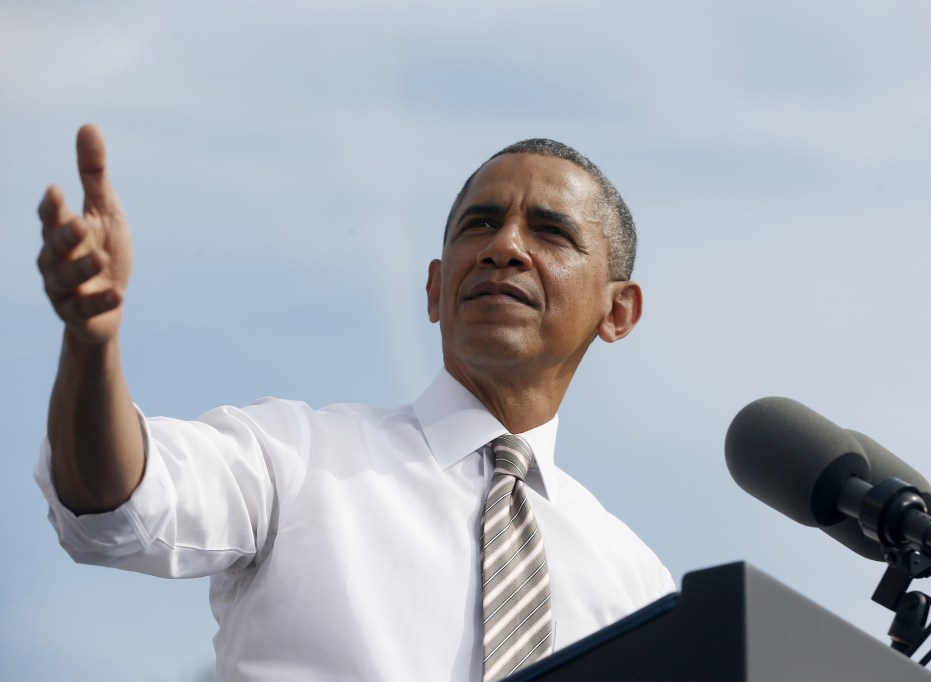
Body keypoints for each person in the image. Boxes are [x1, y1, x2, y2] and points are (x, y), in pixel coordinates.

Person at [35, 125, 676, 681]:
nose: (503, 246)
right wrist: (92, 347)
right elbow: (116, 501)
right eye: (479, 223)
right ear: (435, 288)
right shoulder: (293, 457)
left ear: (617, 312)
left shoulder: (636, 584)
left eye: (550, 231)